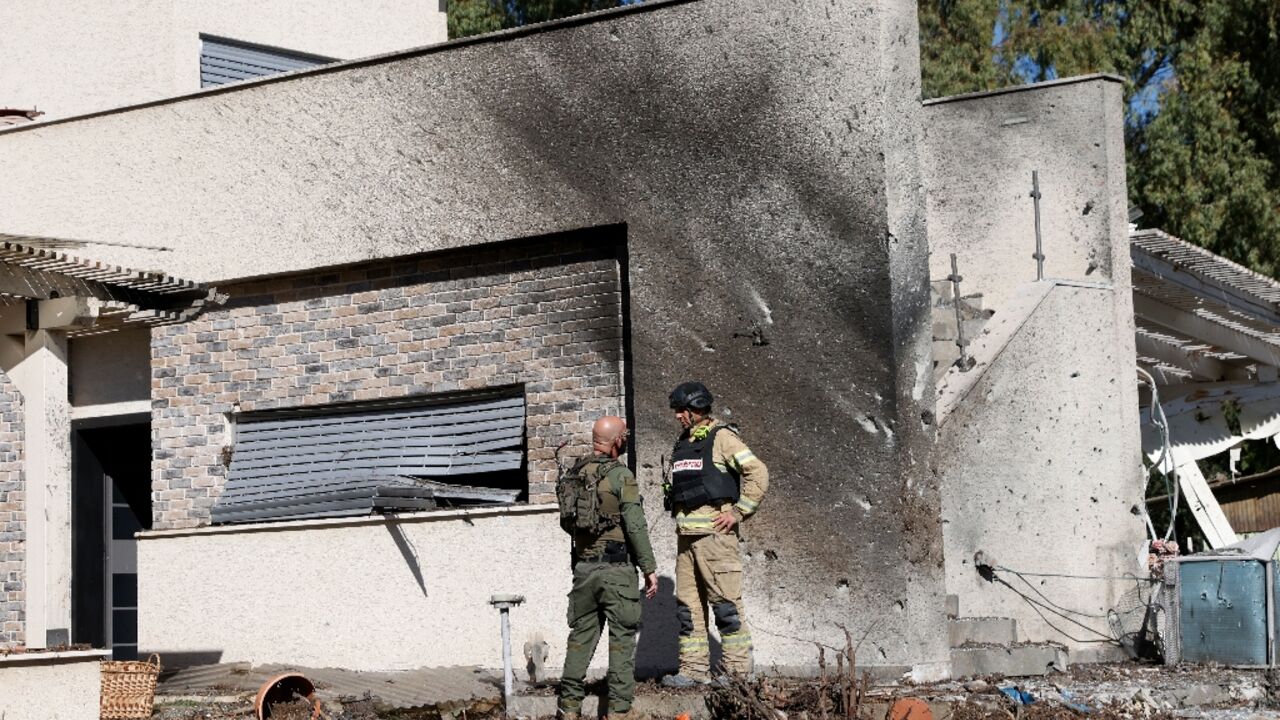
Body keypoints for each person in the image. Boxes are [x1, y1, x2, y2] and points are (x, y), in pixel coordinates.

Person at [661, 382, 769, 687]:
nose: (678, 416)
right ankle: (693, 670)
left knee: (725, 604)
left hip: (715, 537)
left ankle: (737, 672)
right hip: (686, 537)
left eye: (682, 410)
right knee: (687, 608)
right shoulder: (683, 441)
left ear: (697, 408)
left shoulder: (723, 438)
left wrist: (738, 512)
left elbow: (757, 472)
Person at [557, 416, 659, 720]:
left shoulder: (574, 475)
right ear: (616, 441)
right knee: (622, 643)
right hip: (617, 571)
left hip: (585, 570)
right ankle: (618, 712)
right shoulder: (621, 476)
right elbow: (636, 526)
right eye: (624, 436)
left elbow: (567, 523)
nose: (626, 439)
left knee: (580, 641)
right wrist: (649, 568)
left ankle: (569, 708)